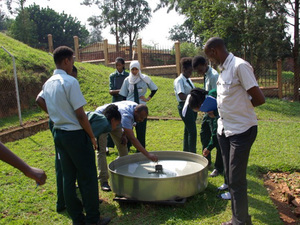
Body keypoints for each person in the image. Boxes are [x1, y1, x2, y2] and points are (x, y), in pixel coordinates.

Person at [39, 46, 110, 225]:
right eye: (72, 60)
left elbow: (41, 101)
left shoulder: (47, 83)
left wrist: (58, 116)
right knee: (87, 177)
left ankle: (77, 219)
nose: (73, 64)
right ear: (65, 61)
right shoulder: (70, 82)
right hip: (75, 135)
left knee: (68, 178)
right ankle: (93, 219)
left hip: (59, 134)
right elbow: (80, 115)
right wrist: (91, 136)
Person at [204, 37, 265, 225]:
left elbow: (259, 98)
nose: (210, 61)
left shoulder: (240, 66)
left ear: (214, 51)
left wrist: (241, 111)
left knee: (237, 179)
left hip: (242, 130)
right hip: (225, 130)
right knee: (231, 178)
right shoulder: (223, 70)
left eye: (209, 56)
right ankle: (238, 219)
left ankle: (240, 222)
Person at [95, 100, 158, 191]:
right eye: (141, 118)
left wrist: (124, 134)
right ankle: (103, 180)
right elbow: (133, 139)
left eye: (143, 118)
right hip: (103, 117)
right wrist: (148, 155)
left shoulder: (136, 108)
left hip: (116, 120)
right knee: (102, 151)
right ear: (136, 112)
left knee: (123, 148)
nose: (141, 120)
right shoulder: (126, 115)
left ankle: (120, 172)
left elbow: (130, 124)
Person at [186, 88, 230, 200]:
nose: (204, 112)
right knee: (226, 159)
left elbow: (216, 131)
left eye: (201, 110)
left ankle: (232, 190)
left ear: (201, 104)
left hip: (233, 129)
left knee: (230, 161)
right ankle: (227, 183)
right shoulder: (209, 100)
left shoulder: (214, 101)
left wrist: (209, 147)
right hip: (227, 128)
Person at [119, 60, 158, 149]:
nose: (134, 71)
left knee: (141, 129)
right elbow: (124, 95)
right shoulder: (127, 80)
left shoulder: (145, 79)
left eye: (136, 69)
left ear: (139, 69)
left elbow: (154, 88)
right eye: (132, 69)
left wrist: (148, 98)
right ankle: (127, 146)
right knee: (128, 128)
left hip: (141, 108)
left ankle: (141, 148)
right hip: (130, 108)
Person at [192, 56, 220, 177]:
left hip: (213, 110)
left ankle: (219, 167)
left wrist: (213, 111)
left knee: (217, 137)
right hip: (206, 109)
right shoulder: (206, 75)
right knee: (204, 134)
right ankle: (207, 160)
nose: (199, 72)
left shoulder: (214, 76)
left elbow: (216, 95)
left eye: (199, 69)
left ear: (205, 64)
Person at [174, 57, 197, 153]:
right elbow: (181, 95)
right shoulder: (179, 80)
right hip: (185, 106)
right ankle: (192, 153)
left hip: (191, 106)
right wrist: (194, 96)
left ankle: (186, 151)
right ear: (184, 70)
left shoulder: (188, 79)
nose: (190, 73)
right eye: (189, 71)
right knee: (192, 131)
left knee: (187, 130)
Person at [107, 57, 129, 151]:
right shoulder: (113, 76)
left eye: (119, 65)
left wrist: (119, 91)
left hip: (125, 101)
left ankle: (127, 144)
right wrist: (122, 90)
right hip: (115, 102)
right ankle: (109, 145)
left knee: (125, 123)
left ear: (123, 65)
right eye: (116, 65)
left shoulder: (128, 75)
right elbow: (111, 91)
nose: (117, 67)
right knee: (112, 123)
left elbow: (129, 89)